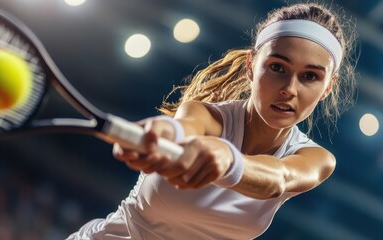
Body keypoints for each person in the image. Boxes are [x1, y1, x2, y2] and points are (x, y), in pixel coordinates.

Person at [68, 2, 357, 239]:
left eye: (310, 76)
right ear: (251, 67)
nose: (289, 89)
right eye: (277, 67)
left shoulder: (317, 159)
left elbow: (280, 178)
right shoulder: (206, 115)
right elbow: (183, 127)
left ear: (327, 87)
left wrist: (229, 161)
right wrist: (164, 131)